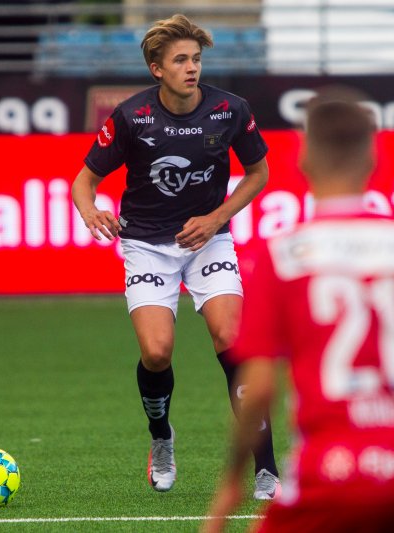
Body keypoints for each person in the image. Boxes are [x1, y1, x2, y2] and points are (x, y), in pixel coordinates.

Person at [203, 91, 394, 532]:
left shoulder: (281, 255)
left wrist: (231, 483)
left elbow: (258, 388)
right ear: (372, 160)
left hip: (329, 474)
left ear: (303, 162)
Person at [71, 13, 280, 498]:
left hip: (208, 241)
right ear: (156, 69)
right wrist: (91, 211)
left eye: (197, 59)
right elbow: (84, 181)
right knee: (157, 351)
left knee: (232, 338)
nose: (192, 68)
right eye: (181, 60)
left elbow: (258, 172)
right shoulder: (131, 116)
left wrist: (215, 218)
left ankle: (266, 466)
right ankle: (162, 438)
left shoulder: (230, 110)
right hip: (146, 245)